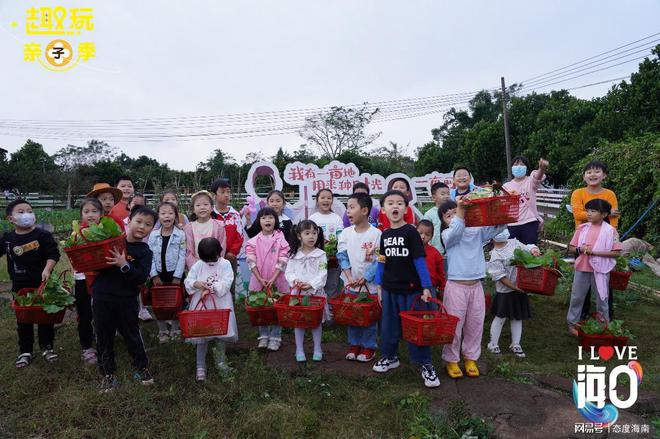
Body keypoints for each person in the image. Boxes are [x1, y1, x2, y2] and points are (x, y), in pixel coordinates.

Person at [373, 190, 439, 388]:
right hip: (390, 290)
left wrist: (426, 286)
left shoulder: (411, 232)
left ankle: (425, 364)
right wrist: (378, 285)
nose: (395, 206)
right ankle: (390, 357)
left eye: (399, 203)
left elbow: (419, 261)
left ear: (406, 208)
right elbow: (381, 262)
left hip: (412, 290)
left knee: (415, 328)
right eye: (390, 203)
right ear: (383, 210)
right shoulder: (384, 235)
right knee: (388, 327)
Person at [439, 198, 506, 379]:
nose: (453, 217)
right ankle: (451, 359)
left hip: (476, 286)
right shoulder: (448, 236)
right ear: (443, 222)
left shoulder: (476, 231)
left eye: (456, 212)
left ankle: (470, 358)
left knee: (475, 324)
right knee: (454, 325)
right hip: (456, 287)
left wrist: (499, 210)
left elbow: (498, 227)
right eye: (448, 215)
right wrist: (461, 211)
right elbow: (457, 230)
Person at [92, 205, 156, 392]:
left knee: (131, 334)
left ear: (152, 229)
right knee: (103, 336)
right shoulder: (113, 242)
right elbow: (97, 263)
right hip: (102, 296)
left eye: (148, 224)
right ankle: (107, 374)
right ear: (129, 222)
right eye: (138, 221)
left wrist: (124, 264)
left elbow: (141, 278)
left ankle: (142, 367)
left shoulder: (145, 252)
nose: (142, 227)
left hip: (126, 299)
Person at [1, 199, 60, 368]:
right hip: (20, 284)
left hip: (42, 282)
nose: (26, 214)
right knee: (24, 317)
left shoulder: (43, 235)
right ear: (11, 219)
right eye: (21, 212)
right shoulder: (7, 239)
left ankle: (47, 347)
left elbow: (53, 254)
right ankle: (25, 351)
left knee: (45, 315)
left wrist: (47, 270)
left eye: (29, 210)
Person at [570, 160, 620, 320]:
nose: (593, 174)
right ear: (584, 176)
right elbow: (578, 214)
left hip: (603, 244)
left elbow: (614, 219)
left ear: (604, 175)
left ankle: (606, 316)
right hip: (582, 242)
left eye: (597, 171)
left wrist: (612, 235)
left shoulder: (609, 194)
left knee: (603, 282)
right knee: (581, 283)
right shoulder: (578, 193)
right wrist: (603, 212)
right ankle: (581, 315)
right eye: (589, 172)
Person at [184, 237, 237, 381]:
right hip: (202, 304)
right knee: (202, 335)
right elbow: (188, 280)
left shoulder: (225, 264)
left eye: (212, 259)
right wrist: (196, 284)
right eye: (207, 260)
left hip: (221, 303)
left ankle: (221, 362)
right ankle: (200, 366)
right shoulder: (198, 265)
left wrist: (212, 287)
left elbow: (227, 282)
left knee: (220, 334)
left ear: (219, 252)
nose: (210, 262)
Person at [337, 193, 381, 362]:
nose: (348, 211)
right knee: (352, 314)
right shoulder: (346, 233)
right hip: (351, 284)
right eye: (347, 207)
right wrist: (348, 277)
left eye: (351, 207)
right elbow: (342, 255)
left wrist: (366, 277)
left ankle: (369, 346)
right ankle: (354, 344)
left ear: (364, 210)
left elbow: (380, 259)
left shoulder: (376, 234)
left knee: (369, 317)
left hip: (369, 286)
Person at [567, 199, 622, 334]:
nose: (589, 214)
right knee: (577, 296)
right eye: (588, 211)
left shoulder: (611, 231)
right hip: (583, 267)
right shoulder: (582, 228)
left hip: (601, 270)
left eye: (593, 211)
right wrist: (581, 249)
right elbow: (572, 248)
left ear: (603, 215)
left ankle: (603, 325)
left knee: (602, 298)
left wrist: (594, 252)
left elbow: (616, 253)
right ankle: (572, 324)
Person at [486, 229, 540, 358]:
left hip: (521, 288)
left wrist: (533, 250)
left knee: (517, 318)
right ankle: (493, 344)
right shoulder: (495, 255)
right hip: (505, 292)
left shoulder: (514, 243)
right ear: (491, 237)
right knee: (500, 317)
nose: (503, 232)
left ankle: (516, 344)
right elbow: (501, 277)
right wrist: (515, 287)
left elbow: (528, 247)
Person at [245, 207, 290, 351]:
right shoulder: (253, 241)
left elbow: (283, 259)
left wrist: (273, 278)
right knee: (260, 308)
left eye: (270, 217)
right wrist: (259, 279)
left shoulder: (281, 238)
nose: (267, 220)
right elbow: (251, 262)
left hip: (277, 279)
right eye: (264, 218)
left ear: (275, 221)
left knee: (277, 308)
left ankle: (276, 337)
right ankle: (263, 336)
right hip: (259, 280)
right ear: (259, 221)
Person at [285, 220, 328, 362]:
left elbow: (323, 273)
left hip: (315, 294)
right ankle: (299, 349)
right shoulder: (293, 255)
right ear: (299, 236)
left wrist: (311, 284)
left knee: (316, 322)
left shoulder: (321, 254)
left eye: (314, 233)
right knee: (299, 322)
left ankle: (317, 348)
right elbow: (289, 272)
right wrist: (295, 281)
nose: (311, 236)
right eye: (307, 233)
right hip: (298, 294)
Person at [148, 202, 186, 343]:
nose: (167, 216)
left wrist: (178, 275)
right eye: (163, 213)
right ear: (158, 216)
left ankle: (175, 330)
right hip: (158, 274)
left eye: (170, 213)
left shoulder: (180, 235)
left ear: (175, 216)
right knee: (159, 304)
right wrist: (154, 275)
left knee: (176, 303)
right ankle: (162, 331)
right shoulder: (153, 236)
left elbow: (183, 256)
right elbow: (150, 256)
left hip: (174, 275)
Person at [73, 198, 105, 365]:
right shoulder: (76, 234)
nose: (91, 215)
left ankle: (103, 343)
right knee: (84, 314)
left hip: (103, 278)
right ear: (81, 215)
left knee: (102, 313)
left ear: (101, 214)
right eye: (86, 212)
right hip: (82, 278)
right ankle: (86, 347)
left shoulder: (106, 232)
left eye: (94, 211)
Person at [209, 178, 245, 298]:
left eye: (228, 192)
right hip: (212, 257)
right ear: (214, 195)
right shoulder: (210, 215)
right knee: (212, 284)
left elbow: (239, 236)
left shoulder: (235, 215)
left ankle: (230, 313)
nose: (226, 195)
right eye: (222, 192)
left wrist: (232, 252)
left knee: (229, 286)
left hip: (230, 257)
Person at [503, 156, 549, 245]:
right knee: (513, 255)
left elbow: (538, 177)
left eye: (522, 164)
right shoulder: (506, 186)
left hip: (530, 223)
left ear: (526, 168)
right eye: (516, 164)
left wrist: (541, 168)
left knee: (530, 253)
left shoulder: (530, 181)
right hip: (512, 224)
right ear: (512, 168)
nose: (519, 166)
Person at [308, 189, 344, 302]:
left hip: (333, 260)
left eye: (329, 198)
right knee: (316, 285)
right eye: (322, 197)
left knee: (332, 284)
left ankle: (331, 313)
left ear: (332, 201)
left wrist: (333, 247)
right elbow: (308, 238)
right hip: (316, 258)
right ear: (317, 200)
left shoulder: (336, 218)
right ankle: (318, 312)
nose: (326, 200)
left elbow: (341, 237)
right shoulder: (313, 218)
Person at [184, 191, 227, 270]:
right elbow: (189, 250)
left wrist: (215, 263)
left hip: (215, 265)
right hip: (196, 267)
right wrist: (196, 268)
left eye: (205, 204)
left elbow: (222, 247)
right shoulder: (188, 228)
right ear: (193, 209)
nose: (202, 207)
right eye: (198, 205)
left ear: (212, 208)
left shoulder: (219, 226)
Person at [417, 219, 445, 294]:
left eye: (427, 234)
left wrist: (442, 287)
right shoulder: (409, 250)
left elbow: (440, 273)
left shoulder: (435, 253)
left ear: (431, 237)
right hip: (413, 288)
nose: (423, 236)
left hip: (431, 288)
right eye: (420, 233)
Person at [423, 182, 451, 255]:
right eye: (443, 194)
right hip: (436, 250)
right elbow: (424, 232)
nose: (446, 196)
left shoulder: (453, 212)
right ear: (434, 198)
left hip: (451, 250)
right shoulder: (429, 214)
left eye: (448, 194)